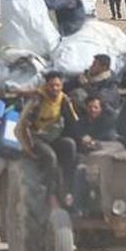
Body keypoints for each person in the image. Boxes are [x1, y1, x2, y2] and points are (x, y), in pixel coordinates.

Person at [14, 76, 79, 208]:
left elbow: (73, 121)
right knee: (50, 156)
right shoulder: (37, 101)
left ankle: (68, 188)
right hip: (35, 138)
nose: (55, 89)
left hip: (52, 136)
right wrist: (29, 148)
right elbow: (24, 126)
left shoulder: (64, 99)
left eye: (58, 86)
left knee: (70, 145)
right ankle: (51, 193)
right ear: (46, 87)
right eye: (51, 86)